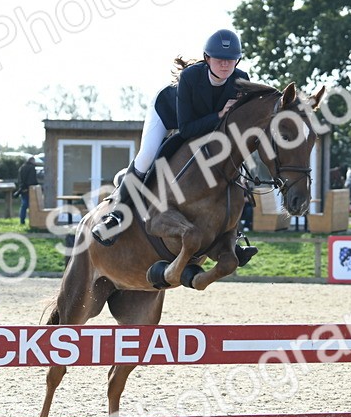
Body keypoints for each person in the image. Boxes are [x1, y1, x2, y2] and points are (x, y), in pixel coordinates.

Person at [92, 30, 257, 266]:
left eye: (230, 60)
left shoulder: (241, 79)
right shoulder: (191, 77)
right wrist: (220, 114)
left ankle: (230, 238)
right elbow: (187, 129)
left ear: (238, 61)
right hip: (168, 115)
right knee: (148, 156)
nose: (225, 64)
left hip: (206, 127)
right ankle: (116, 216)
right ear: (207, 58)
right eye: (219, 59)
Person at [16, 156, 40, 226]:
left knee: (23, 205)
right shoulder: (32, 168)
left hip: (22, 189)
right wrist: (36, 186)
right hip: (30, 189)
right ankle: (32, 220)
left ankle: (22, 220)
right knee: (31, 205)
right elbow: (32, 180)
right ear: (32, 161)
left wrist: (21, 187)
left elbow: (20, 179)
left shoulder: (22, 167)